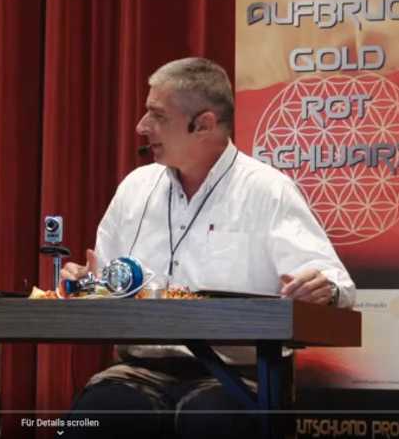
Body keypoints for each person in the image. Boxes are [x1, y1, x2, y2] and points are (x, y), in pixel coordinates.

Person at [60, 57, 356, 438]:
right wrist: (86, 284)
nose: (140, 127)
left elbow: (338, 288)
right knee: (92, 420)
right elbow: (104, 284)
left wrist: (323, 290)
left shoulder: (266, 190)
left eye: (157, 115)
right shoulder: (135, 187)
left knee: (209, 422)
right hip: (139, 372)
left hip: (236, 376)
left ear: (204, 124)